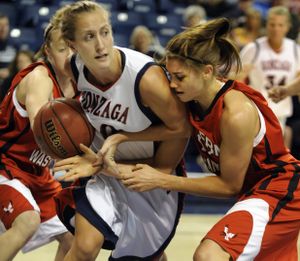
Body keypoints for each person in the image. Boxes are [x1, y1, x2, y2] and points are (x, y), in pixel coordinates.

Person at [99, 18, 300, 260]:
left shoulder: (236, 113)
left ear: (207, 71)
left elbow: (229, 186)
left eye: (180, 77)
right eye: (170, 76)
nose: (172, 85)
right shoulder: (192, 100)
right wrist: (117, 142)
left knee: (208, 255)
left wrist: (163, 180)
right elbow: (176, 130)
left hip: (280, 191)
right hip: (255, 194)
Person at [52, 1, 190, 261]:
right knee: (84, 245)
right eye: (89, 37)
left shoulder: (146, 78)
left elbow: (182, 128)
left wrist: (122, 138)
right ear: (73, 44)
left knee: (145, 255)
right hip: (101, 171)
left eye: (105, 32)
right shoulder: (75, 67)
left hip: (148, 177)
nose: (101, 45)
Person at [0, 16, 75, 260]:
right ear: (48, 51)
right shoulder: (39, 79)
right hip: (6, 164)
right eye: (62, 49)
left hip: (36, 174)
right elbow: (42, 130)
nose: (70, 54)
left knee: (75, 237)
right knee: (28, 221)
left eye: (73, 48)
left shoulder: (79, 84)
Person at [237, 6, 300, 149]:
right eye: (272, 24)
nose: (276, 29)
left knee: (276, 154)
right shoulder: (253, 48)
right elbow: (236, 79)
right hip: (257, 110)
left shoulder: (295, 50)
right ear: (266, 25)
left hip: (280, 112)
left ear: (287, 27)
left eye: (280, 25)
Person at [0, 12, 17, 85]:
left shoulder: (15, 44)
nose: (3, 28)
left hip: (10, 81)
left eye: (6, 25)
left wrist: (10, 71)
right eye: (0, 25)